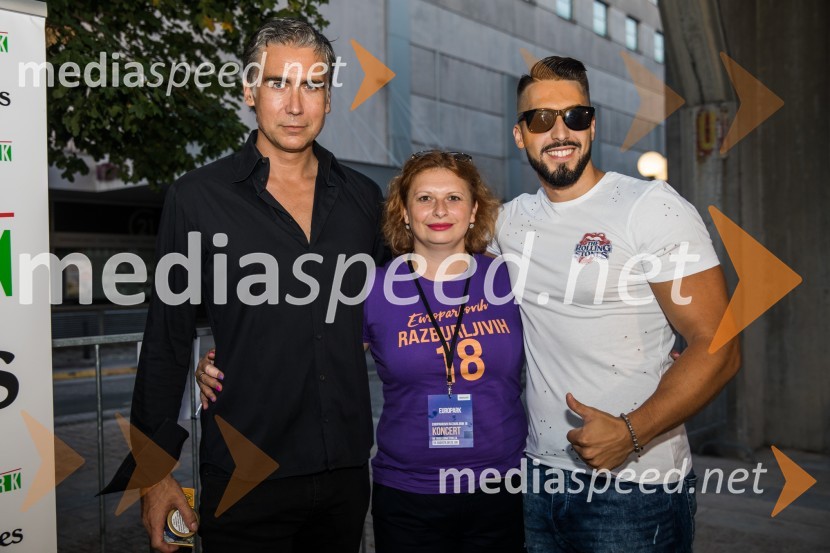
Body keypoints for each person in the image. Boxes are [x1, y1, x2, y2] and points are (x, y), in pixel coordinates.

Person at [101, 18, 386, 552]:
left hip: (345, 473)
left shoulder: (365, 199)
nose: (295, 105)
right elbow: (166, 340)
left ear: (329, 97)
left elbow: (399, 302)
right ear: (249, 90)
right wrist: (154, 475)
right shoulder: (197, 197)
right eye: (278, 83)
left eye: (312, 85)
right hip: (243, 477)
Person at [198, 150, 528, 552]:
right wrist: (223, 363)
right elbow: (310, 349)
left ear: (474, 210)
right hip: (409, 495)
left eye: (454, 198)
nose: (440, 210)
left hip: (501, 486)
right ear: (404, 212)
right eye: (424, 198)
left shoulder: (510, 279)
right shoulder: (372, 289)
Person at [488, 56, 741, 552]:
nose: (560, 131)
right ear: (519, 135)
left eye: (575, 116)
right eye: (541, 119)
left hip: (636, 485)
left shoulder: (650, 207)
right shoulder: (509, 222)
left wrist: (631, 433)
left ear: (593, 124)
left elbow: (720, 344)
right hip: (539, 478)